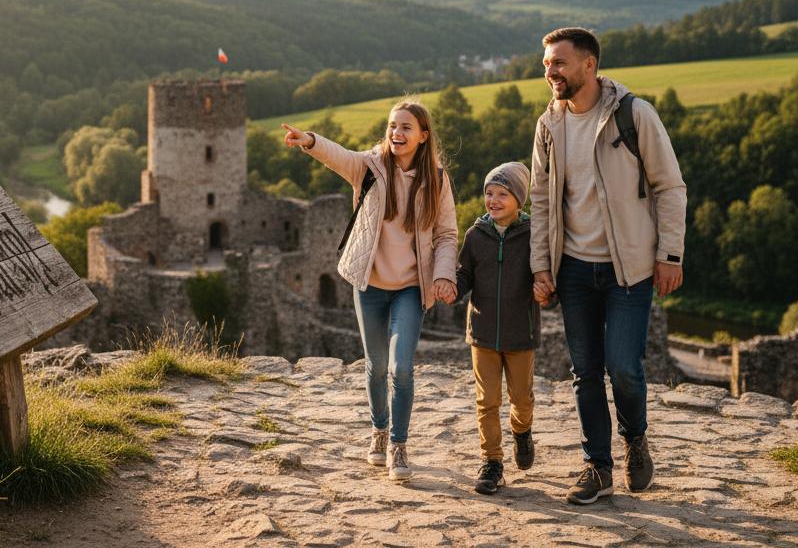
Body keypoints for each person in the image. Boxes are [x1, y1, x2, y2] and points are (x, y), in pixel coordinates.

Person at [528, 27, 687, 505]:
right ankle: (597, 466)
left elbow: (670, 187)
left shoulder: (634, 115)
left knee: (624, 369)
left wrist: (670, 254)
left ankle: (635, 439)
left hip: (629, 269)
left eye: (559, 63)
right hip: (572, 269)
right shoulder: (548, 126)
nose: (550, 72)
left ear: (589, 65)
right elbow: (539, 200)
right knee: (585, 373)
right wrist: (541, 266)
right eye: (546, 64)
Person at [282, 99, 458, 482]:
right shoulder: (370, 167)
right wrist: (309, 140)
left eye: (406, 127)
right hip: (370, 284)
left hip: (412, 288)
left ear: (423, 135)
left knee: (402, 368)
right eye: (393, 125)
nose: (397, 132)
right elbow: (338, 156)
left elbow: (446, 234)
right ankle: (378, 432)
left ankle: (398, 445)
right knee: (376, 367)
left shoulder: (438, 180)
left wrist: (445, 275)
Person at [452, 161, 542, 495]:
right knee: (486, 401)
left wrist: (547, 290)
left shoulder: (535, 235)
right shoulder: (475, 235)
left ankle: (522, 432)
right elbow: (465, 274)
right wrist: (453, 288)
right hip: (483, 333)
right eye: (489, 193)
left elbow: (545, 274)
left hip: (521, 333)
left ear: (519, 199)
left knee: (522, 399)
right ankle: (492, 462)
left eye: (502, 194)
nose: (493, 199)